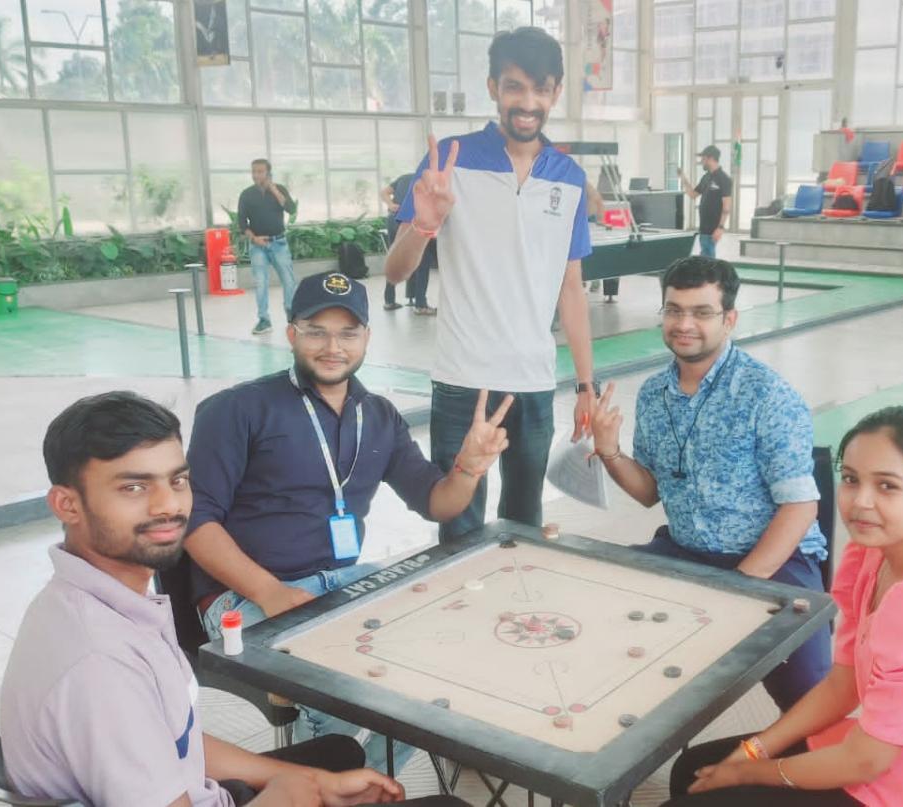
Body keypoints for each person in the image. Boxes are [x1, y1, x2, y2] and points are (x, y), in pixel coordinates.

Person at [1, 390, 468, 807]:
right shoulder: (99, 663)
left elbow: (174, 743)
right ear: (67, 504)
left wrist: (306, 780)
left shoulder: (92, 601)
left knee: (338, 756)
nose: (168, 505)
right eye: (134, 487)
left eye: (177, 480)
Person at [184, 271, 512, 767]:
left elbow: (436, 502)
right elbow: (194, 521)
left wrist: (467, 468)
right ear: (292, 333)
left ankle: (364, 786)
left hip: (341, 587)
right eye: (316, 330)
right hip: (247, 595)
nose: (332, 346)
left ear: (366, 339)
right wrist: (274, 595)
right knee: (359, 706)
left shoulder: (378, 414)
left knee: (446, 667)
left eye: (348, 332)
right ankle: (354, 781)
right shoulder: (237, 409)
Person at [663, 406, 903, 807]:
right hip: (887, 752)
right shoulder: (874, 554)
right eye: (851, 480)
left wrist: (749, 772)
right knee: (693, 768)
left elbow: (866, 761)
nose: (861, 502)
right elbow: (843, 684)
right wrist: (755, 750)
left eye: (887, 486)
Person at [588, 257, 830, 711]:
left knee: (809, 701)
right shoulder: (653, 395)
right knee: (606, 618)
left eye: (701, 312)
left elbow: (800, 508)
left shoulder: (766, 395)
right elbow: (648, 492)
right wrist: (609, 450)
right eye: (674, 310)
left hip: (773, 559)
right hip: (685, 550)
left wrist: (738, 587)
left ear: (729, 319)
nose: (684, 324)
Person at [384, 27, 597, 540]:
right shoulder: (450, 161)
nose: (528, 103)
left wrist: (586, 384)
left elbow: (572, 287)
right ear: (492, 87)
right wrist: (425, 224)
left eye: (540, 89)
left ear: (556, 93)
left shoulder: (568, 176)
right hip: (463, 379)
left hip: (534, 381)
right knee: (459, 525)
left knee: (523, 522)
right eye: (514, 87)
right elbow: (395, 272)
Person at [238, 158, 299, 336]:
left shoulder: (279, 189)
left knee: (288, 280)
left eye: (260, 171)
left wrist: (273, 189)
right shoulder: (246, 194)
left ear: (268, 173)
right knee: (261, 282)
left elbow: (291, 209)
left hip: (279, 243)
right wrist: (254, 239)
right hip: (258, 245)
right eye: (253, 171)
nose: (256, 175)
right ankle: (264, 319)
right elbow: (242, 222)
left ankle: (291, 314)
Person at [380, 173, 435, 314]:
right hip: (413, 221)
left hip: (394, 219)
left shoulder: (404, 178)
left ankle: (389, 301)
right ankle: (420, 304)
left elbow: (384, 192)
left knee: (395, 257)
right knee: (422, 260)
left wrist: (391, 204)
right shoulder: (430, 179)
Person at [678, 146, 732, 258]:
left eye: (703, 158)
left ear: (710, 158)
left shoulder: (724, 179)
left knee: (708, 258)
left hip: (713, 227)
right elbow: (693, 194)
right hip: (704, 226)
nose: (701, 161)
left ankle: (711, 275)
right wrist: (682, 178)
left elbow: (726, 207)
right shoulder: (706, 177)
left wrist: (720, 228)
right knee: (706, 257)